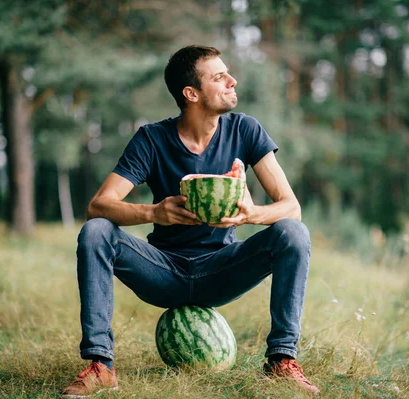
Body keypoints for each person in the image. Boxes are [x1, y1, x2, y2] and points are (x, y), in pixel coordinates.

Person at [61, 45, 319, 397]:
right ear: (191, 93)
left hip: (221, 270)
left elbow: (291, 207)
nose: (232, 81)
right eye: (219, 77)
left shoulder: (245, 130)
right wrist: (153, 212)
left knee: (293, 233)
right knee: (96, 231)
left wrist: (251, 213)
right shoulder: (151, 139)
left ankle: (281, 361)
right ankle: (100, 365)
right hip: (162, 271)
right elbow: (99, 205)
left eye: (228, 74)